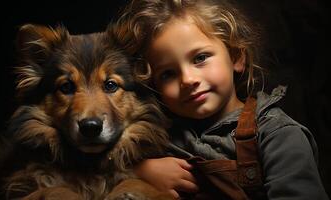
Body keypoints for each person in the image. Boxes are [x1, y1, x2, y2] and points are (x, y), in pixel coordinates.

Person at [112, 0, 329, 199]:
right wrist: (137, 171)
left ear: (235, 56)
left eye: (200, 58)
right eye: (168, 74)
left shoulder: (277, 135)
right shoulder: (157, 138)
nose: (187, 80)